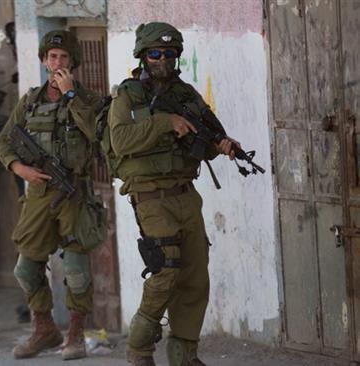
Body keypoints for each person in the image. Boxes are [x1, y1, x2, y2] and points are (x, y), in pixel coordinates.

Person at [106, 22, 236, 366]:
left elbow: (203, 142)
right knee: (165, 273)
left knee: (194, 275)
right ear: (143, 56)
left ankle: (183, 355)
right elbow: (121, 141)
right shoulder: (128, 95)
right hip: (150, 196)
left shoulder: (186, 94)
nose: (163, 59)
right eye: (155, 53)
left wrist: (220, 145)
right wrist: (165, 122)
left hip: (185, 193)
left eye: (170, 53)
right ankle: (139, 350)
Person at [0, 30, 103, 360]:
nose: (57, 63)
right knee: (25, 269)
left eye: (64, 58)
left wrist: (72, 97)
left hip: (74, 193)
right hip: (39, 193)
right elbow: (4, 142)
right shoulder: (30, 101)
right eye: (52, 57)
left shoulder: (89, 101)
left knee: (75, 269)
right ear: (44, 60)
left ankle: (75, 335)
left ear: (73, 63)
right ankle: (43, 329)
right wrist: (20, 169)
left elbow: (99, 135)